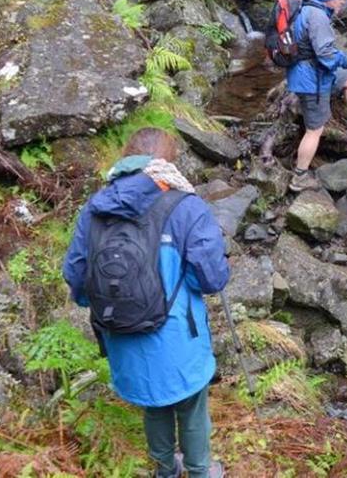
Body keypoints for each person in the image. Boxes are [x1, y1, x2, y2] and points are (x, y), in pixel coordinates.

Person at [62, 128, 230, 478]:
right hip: (177, 335)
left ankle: (165, 470)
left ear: (126, 158)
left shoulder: (95, 208)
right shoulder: (185, 206)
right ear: (166, 162)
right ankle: (200, 471)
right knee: (191, 404)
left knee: (154, 403)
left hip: (121, 333)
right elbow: (210, 280)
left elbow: (77, 279)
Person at [286, 0, 347, 192]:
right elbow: (326, 56)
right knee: (314, 129)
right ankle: (299, 176)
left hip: (311, 72)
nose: (342, 1)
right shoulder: (317, 17)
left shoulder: (308, 8)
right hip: (311, 81)